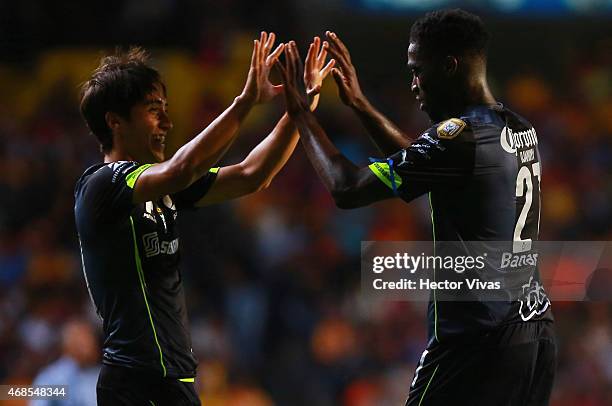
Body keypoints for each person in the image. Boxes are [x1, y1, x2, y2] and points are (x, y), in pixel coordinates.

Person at [275, 9, 556, 406]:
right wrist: (359, 104)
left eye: (418, 71)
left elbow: (346, 188)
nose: (413, 84)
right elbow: (423, 164)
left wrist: (300, 113)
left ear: (449, 66)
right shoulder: (516, 127)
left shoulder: (459, 137)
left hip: (476, 341)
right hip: (534, 335)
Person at [75, 32, 333, 405]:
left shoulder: (161, 187)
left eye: (165, 107)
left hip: (175, 380)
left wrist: (301, 110)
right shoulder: (101, 185)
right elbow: (184, 167)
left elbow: (252, 175)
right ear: (114, 121)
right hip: (135, 381)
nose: (166, 120)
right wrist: (245, 103)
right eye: (153, 109)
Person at [30, 319, 100, 406]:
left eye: (91, 339)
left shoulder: (99, 375)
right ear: (69, 344)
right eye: (83, 341)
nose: (90, 346)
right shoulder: (52, 378)